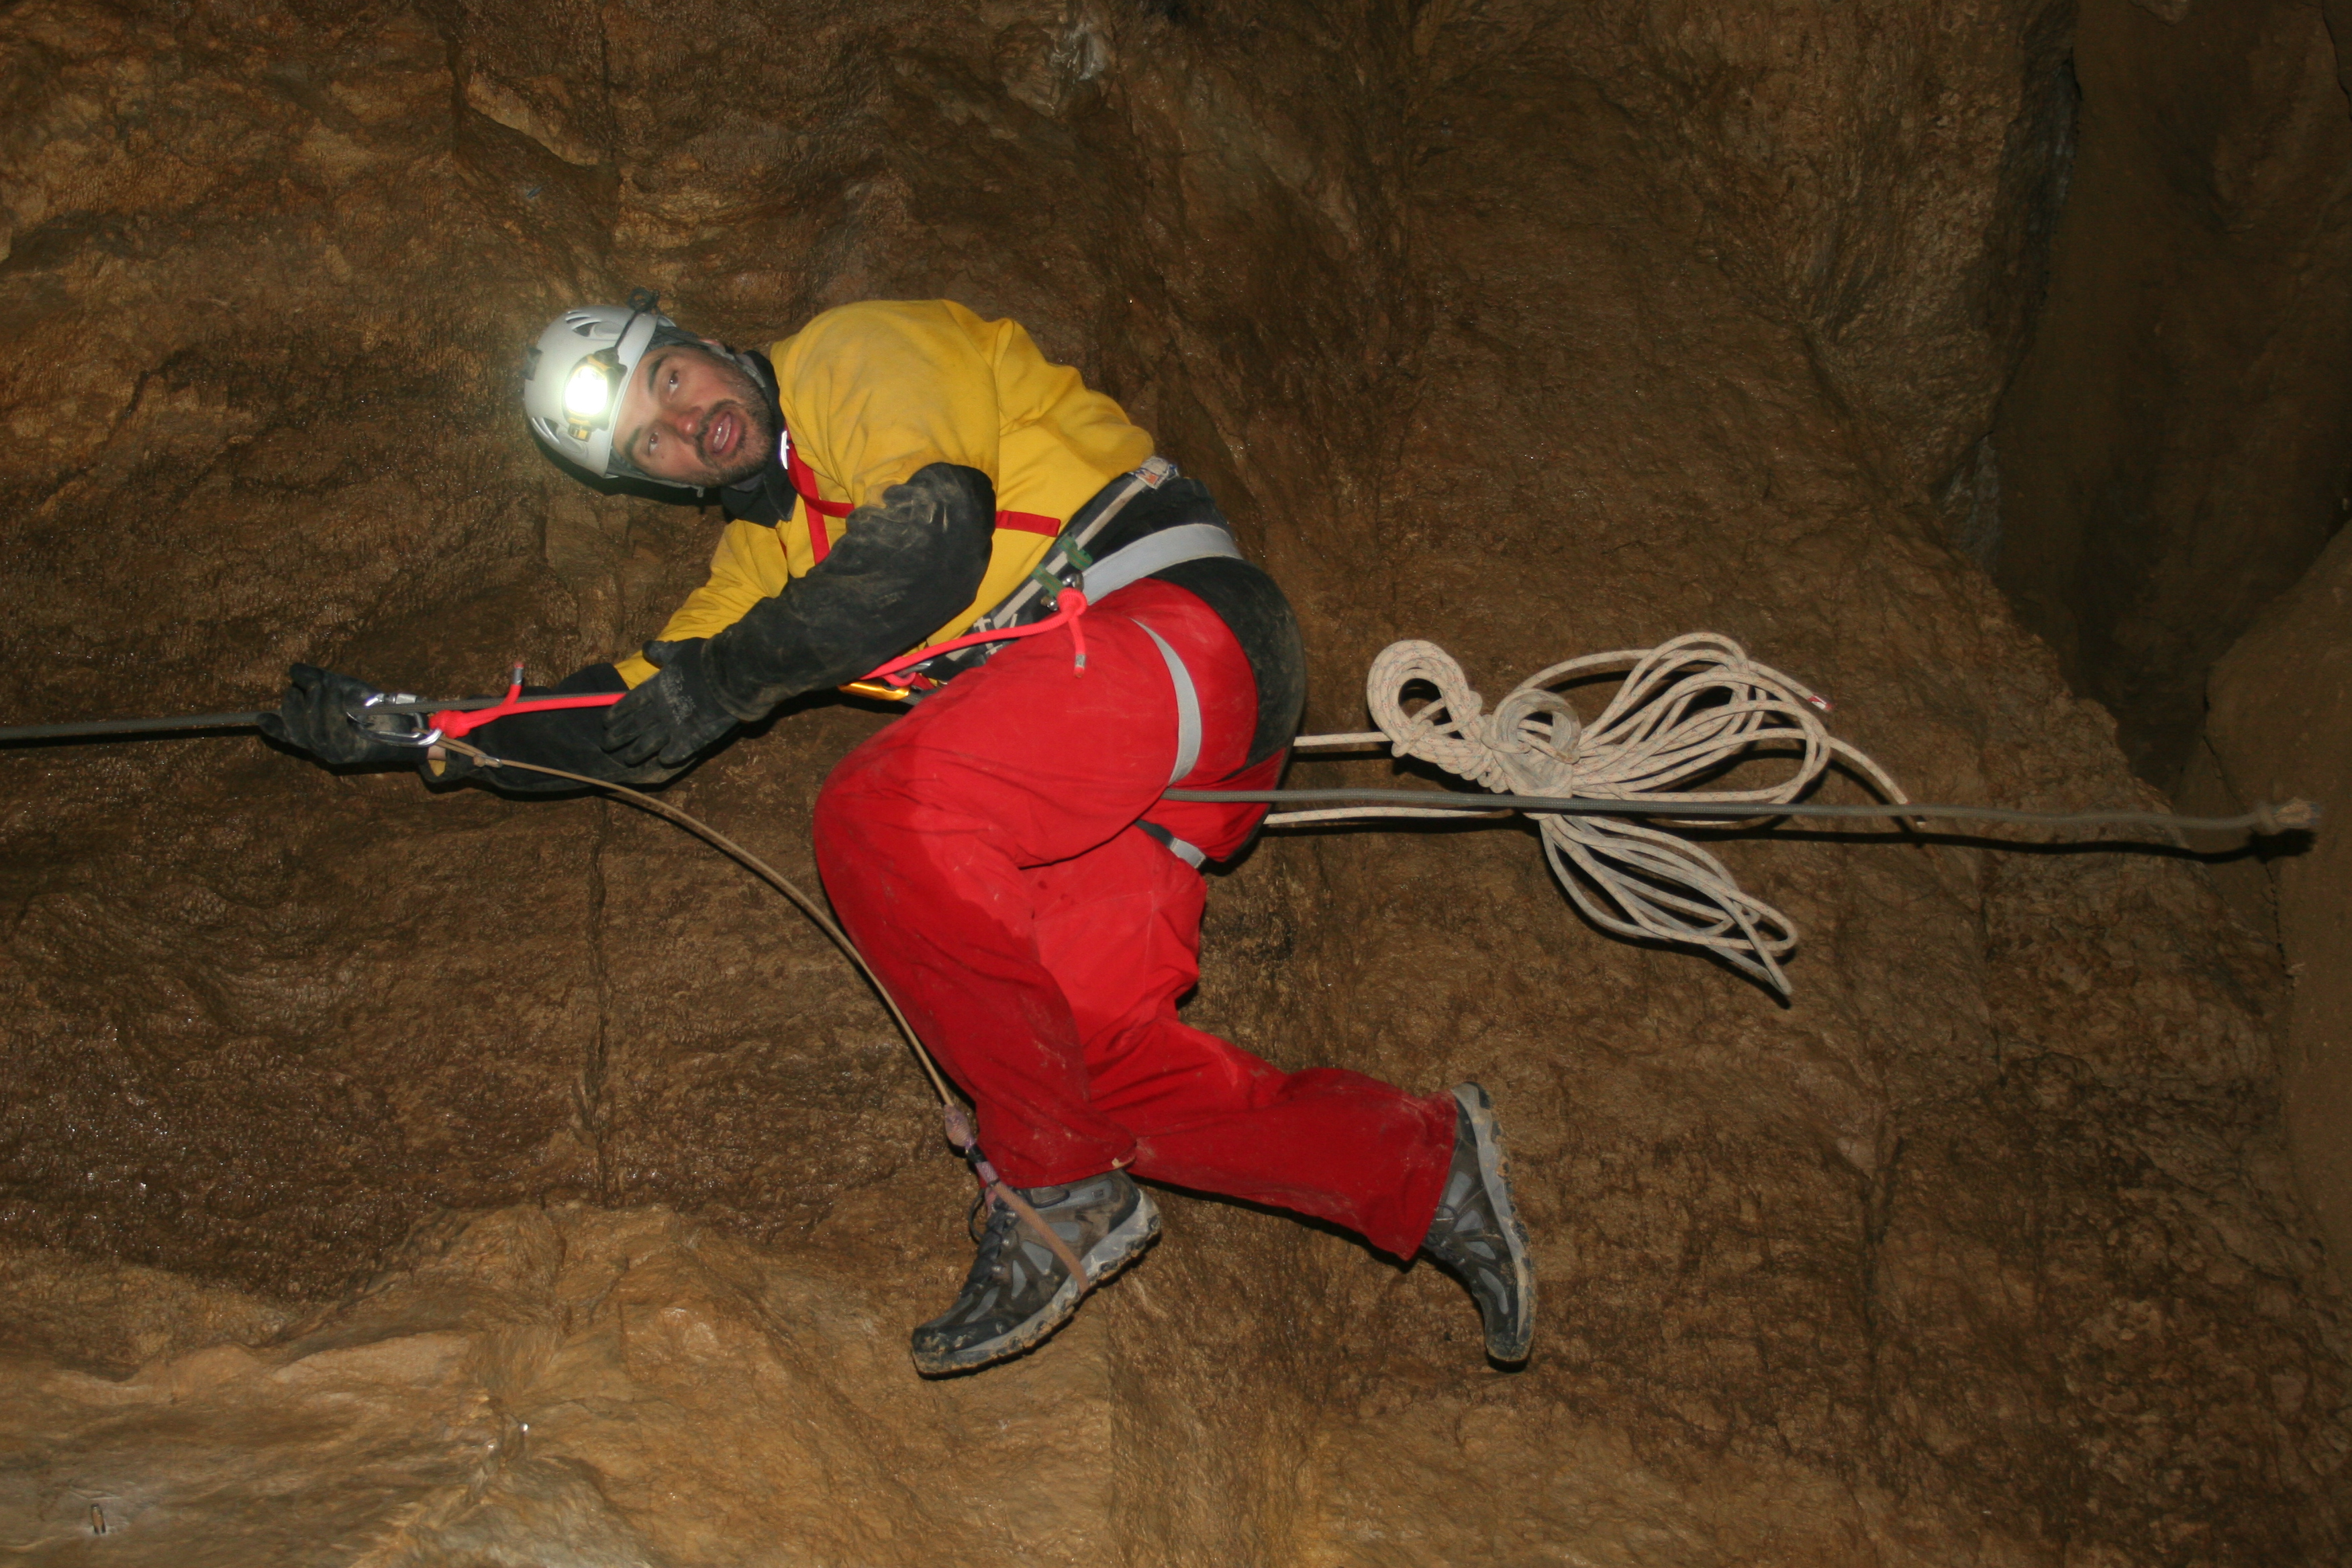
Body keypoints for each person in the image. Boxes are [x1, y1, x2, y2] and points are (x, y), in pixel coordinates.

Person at [262, 292, 1536, 1374]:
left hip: (1170, 630)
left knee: (878, 811)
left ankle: (1058, 1191)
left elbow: (931, 542)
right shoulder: (760, 567)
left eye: (667, 377)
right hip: (1121, 768)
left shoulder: (848, 361)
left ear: (700, 340)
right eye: (646, 444)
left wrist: (727, 680)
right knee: (1079, 1069)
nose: (679, 422)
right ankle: (1421, 1171)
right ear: (653, 484)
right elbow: (627, 717)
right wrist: (428, 731)